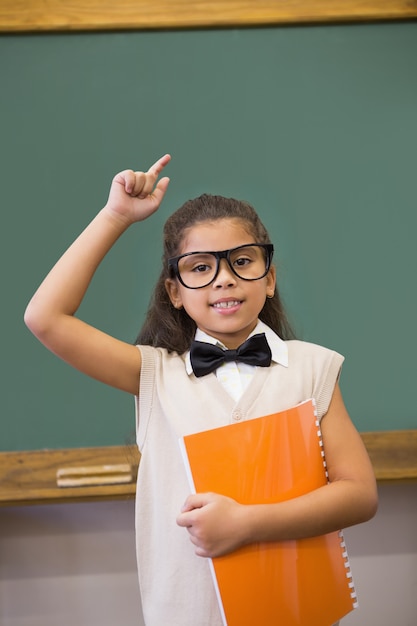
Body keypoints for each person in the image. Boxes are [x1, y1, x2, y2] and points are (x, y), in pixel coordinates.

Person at [24, 154, 378, 626]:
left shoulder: (313, 367)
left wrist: (247, 523)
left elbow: (358, 494)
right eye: (199, 268)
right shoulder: (153, 373)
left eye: (242, 261)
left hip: (294, 612)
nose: (224, 278)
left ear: (269, 278)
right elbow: (44, 318)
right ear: (175, 291)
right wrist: (115, 216)